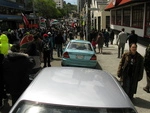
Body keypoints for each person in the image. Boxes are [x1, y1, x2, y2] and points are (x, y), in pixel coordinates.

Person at [0, 34, 11, 109]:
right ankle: (7, 91)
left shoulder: (0, 45)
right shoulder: (9, 45)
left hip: (1, 61)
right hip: (8, 61)